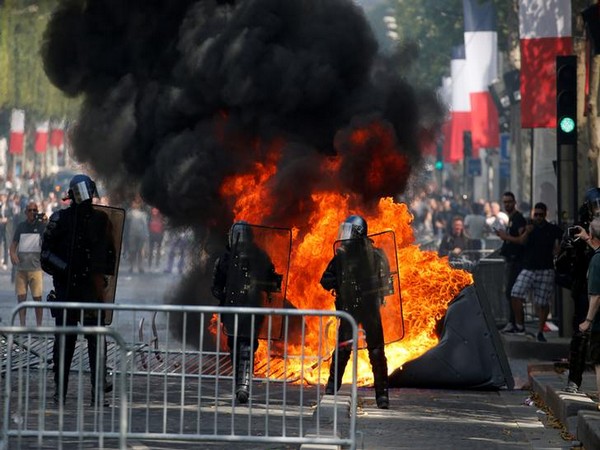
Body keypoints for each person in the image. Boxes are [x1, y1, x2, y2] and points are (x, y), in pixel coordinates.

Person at [41, 174, 118, 406]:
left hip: (91, 292)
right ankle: (60, 392)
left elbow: (110, 256)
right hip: (67, 291)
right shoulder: (59, 220)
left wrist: (100, 276)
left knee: (97, 343)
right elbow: (45, 255)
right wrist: (66, 268)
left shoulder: (102, 221)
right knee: (64, 344)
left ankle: (97, 392)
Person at [320, 215, 391, 409]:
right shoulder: (341, 256)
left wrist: (375, 288)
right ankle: (332, 387)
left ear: (358, 233)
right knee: (343, 348)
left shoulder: (376, 256)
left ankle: (382, 395)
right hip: (350, 309)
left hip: (369, 309)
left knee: (376, 351)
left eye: (348, 231)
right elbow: (325, 279)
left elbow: (387, 283)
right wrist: (338, 284)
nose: (345, 236)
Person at [211, 221, 282, 403]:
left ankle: (243, 386)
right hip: (236, 308)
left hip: (250, 308)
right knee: (236, 345)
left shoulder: (257, 256)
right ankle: (240, 385)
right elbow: (217, 286)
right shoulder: (227, 258)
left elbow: (270, 281)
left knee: (246, 346)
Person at [498, 202, 563, 342]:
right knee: (515, 293)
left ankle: (540, 331)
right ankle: (520, 326)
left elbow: (562, 239)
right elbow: (521, 241)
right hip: (529, 268)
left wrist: (557, 251)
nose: (538, 217)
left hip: (545, 269)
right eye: (536, 215)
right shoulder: (530, 227)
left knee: (543, 302)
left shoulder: (552, 229)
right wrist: (527, 231)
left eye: (540, 215)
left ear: (545, 214)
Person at [560, 189, 600, 392]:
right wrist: (569, 248)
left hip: (596, 285)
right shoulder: (579, 228)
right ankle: (574, 380)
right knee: (581, 334)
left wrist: (588, 241)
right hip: (584, 287)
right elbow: (561, 265)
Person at [9, 201, 47, 326]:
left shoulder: (41, 227)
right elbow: (13, 245)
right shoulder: (21, 227)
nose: (32, 213)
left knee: (37, 298)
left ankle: (39, 325)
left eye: (35, 210)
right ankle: (22, 325)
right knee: (21, 298)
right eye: (30, 210)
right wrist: (13, 255)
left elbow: (50, 238)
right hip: (21, 270)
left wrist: (46, 222)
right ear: (26, 213)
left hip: (36, 269)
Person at [497, 192, 527, 333]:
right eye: (505, 202)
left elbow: (522, 240)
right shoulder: (510, 219)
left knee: (512, 292)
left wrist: (506, 237)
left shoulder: (518, 218)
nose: (507, 204)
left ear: (514, 202)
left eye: (509, 202)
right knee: (510, 293)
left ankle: (516, 323)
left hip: (517, 261)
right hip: (510, 261)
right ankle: (513, 322)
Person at [577, 218, 600, 400]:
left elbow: (596, 296)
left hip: (599, 323)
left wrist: (588, 321)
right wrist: (587, 238)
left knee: (599, 361)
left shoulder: (596, 261)